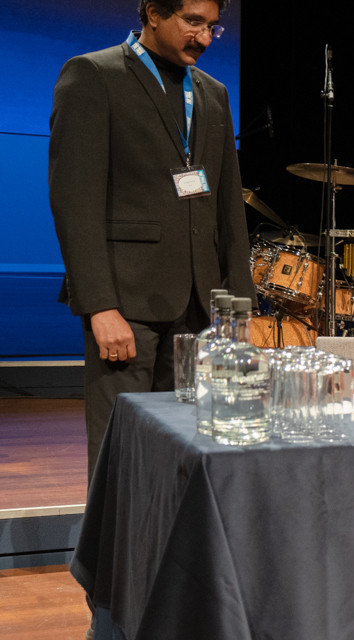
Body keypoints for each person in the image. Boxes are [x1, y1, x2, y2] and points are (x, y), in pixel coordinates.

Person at [49, 0, 255, 479]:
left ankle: (172, 552)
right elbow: (74, 203)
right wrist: (100, 306)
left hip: (199, 307)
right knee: (119, 452)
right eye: (193, 22)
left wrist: (239, 306)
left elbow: (228, 206)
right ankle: (111, 556)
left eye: (212, 27)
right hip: (127, 304)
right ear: (152, 13)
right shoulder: (93, 75)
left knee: (183, 448)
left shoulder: (213, 92)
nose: (203, 38)